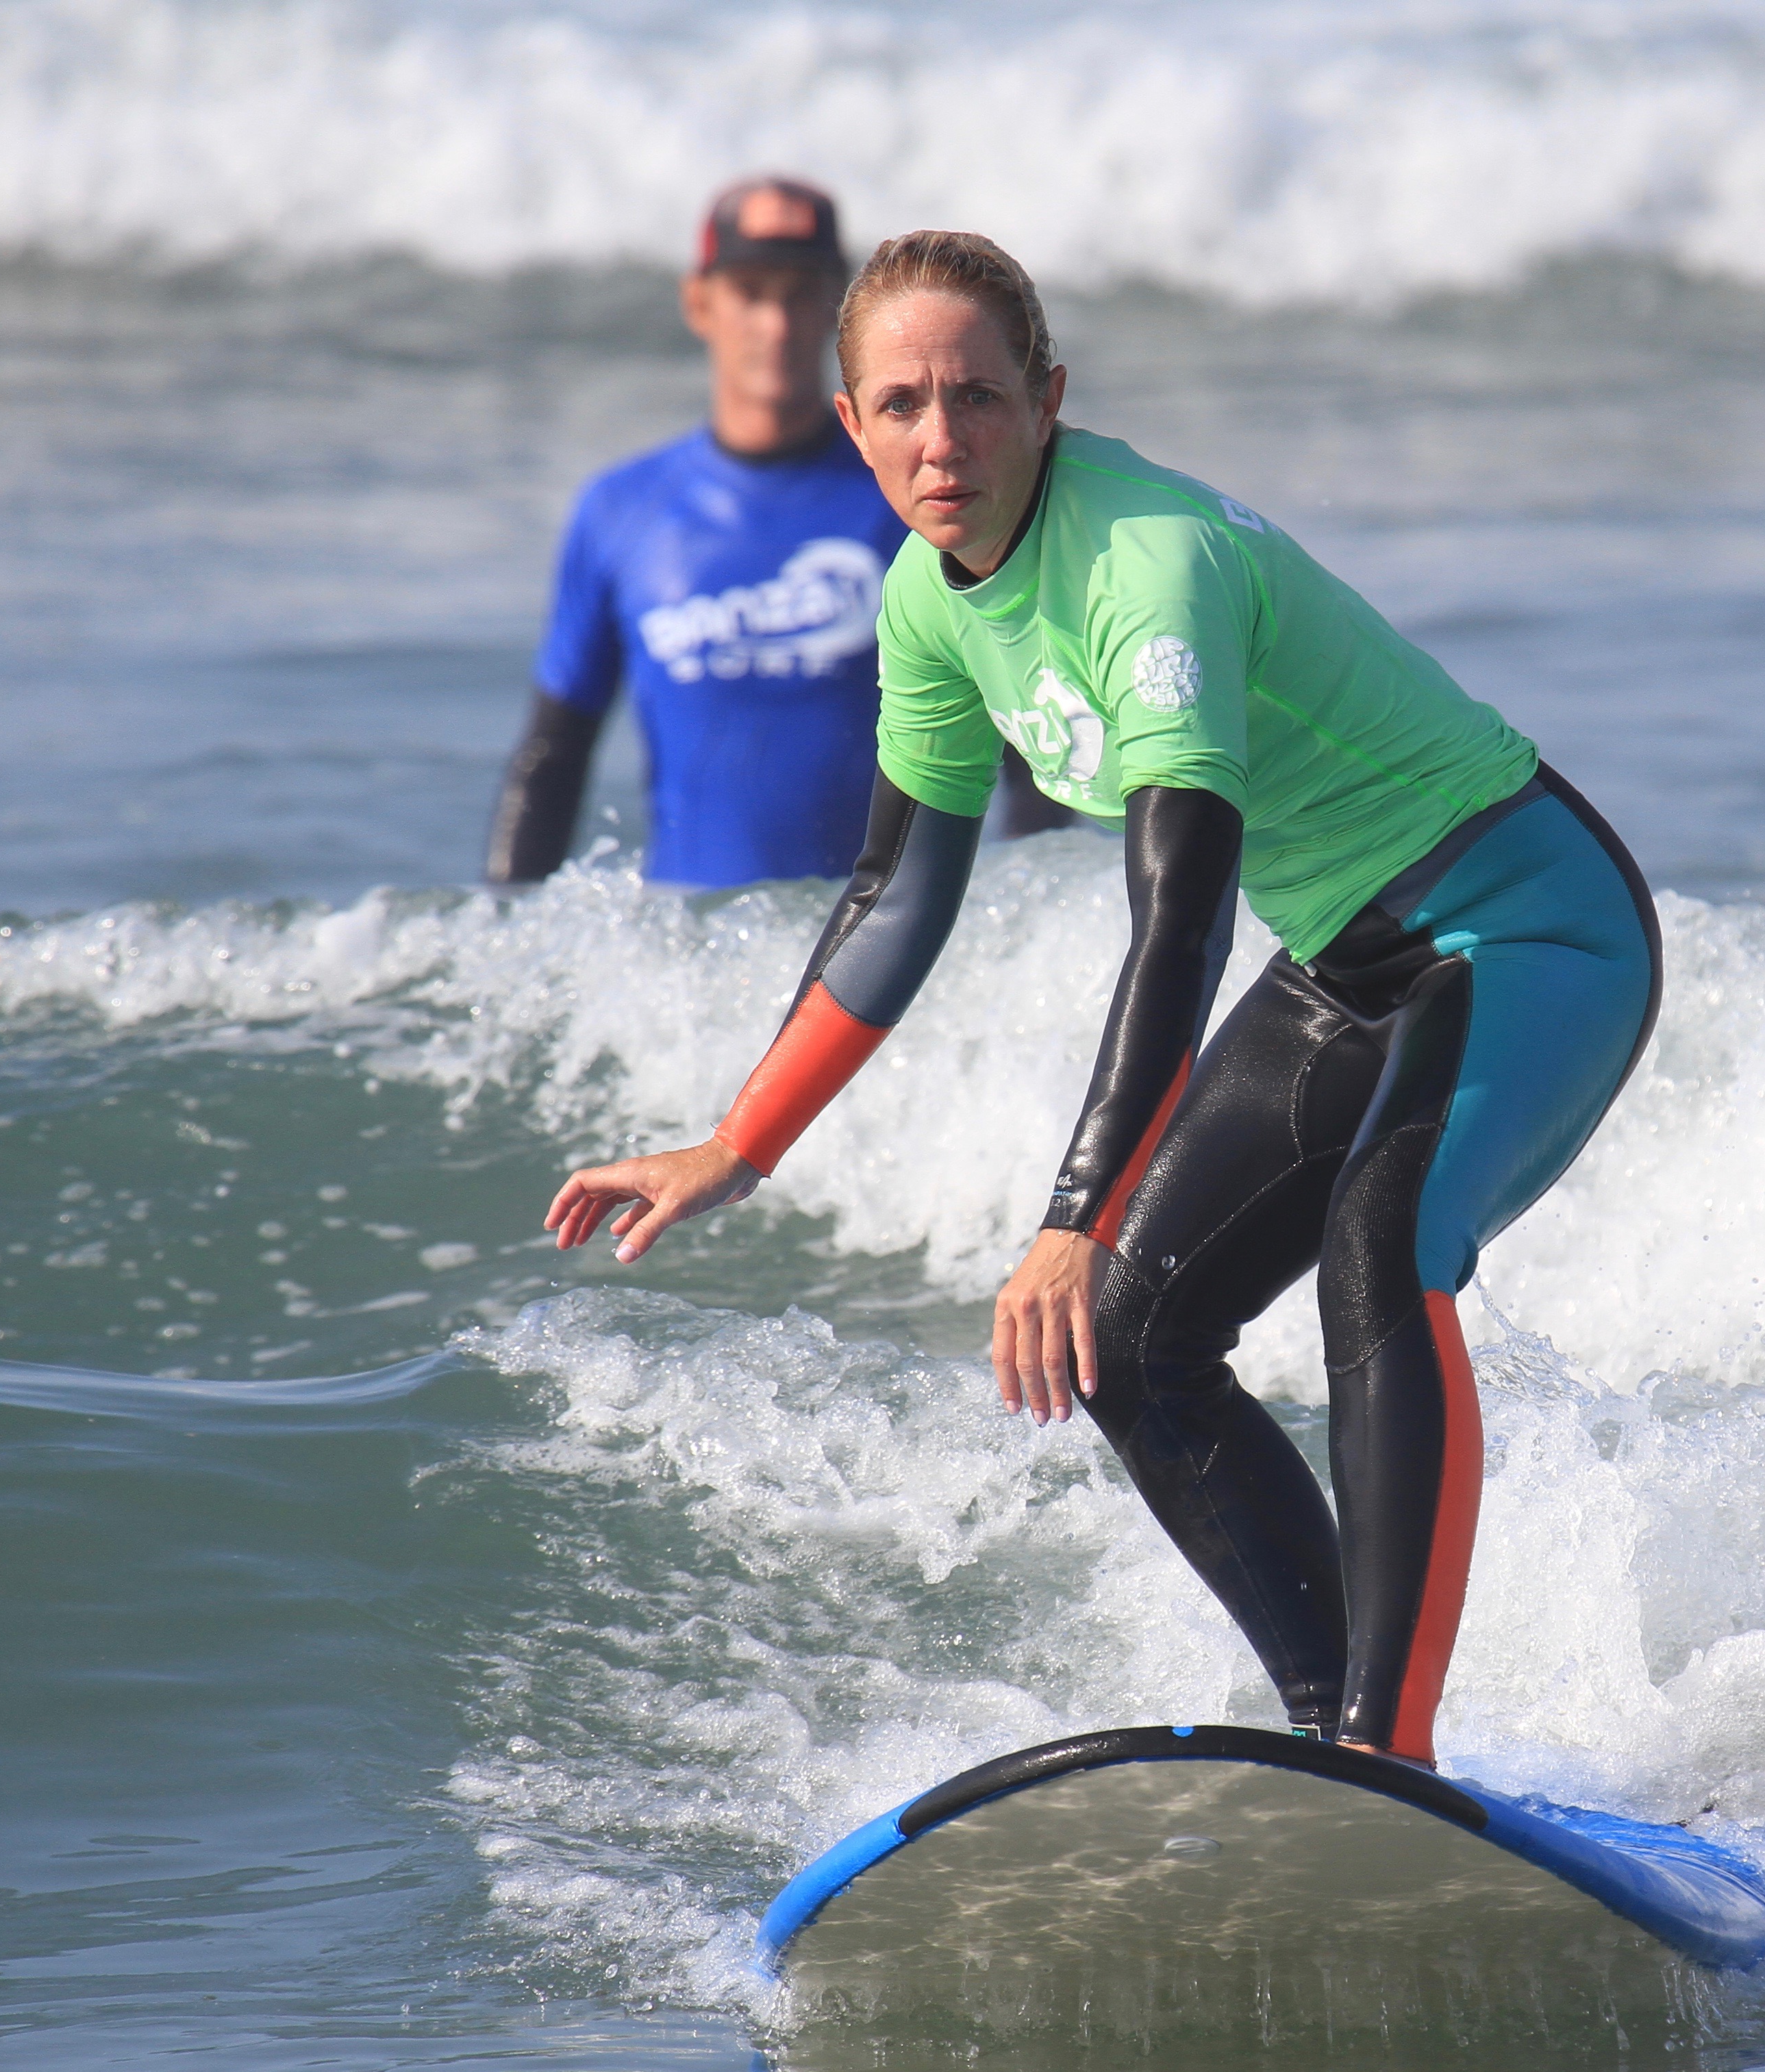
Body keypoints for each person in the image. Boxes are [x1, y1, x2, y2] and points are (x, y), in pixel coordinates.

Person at [540, 232, 1660, 1771]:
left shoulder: (1150, 563)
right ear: (848, 422)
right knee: (1133, 1340)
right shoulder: (928, 605)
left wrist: (1075, 1208)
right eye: (901, 406)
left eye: (979, 398)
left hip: (1526, 927)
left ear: (1048, 398)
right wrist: (737, 1146)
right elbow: (894, 898)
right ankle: (1336, 1732)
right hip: (1351, 955)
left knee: (1377, 1255)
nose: (943, 441)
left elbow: (1178, 917)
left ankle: (1387, 1763)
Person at [485, 179, 1068, 889]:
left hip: (868, 951)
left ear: (837, 307)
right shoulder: (619, 512)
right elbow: (552, 756)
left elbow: (1029, 749)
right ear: (700, 303)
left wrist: (1015, 920)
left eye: (801, 291)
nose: (778, 323)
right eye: (752, 291)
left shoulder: (920, 501)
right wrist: (506, 935)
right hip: (686, 957)